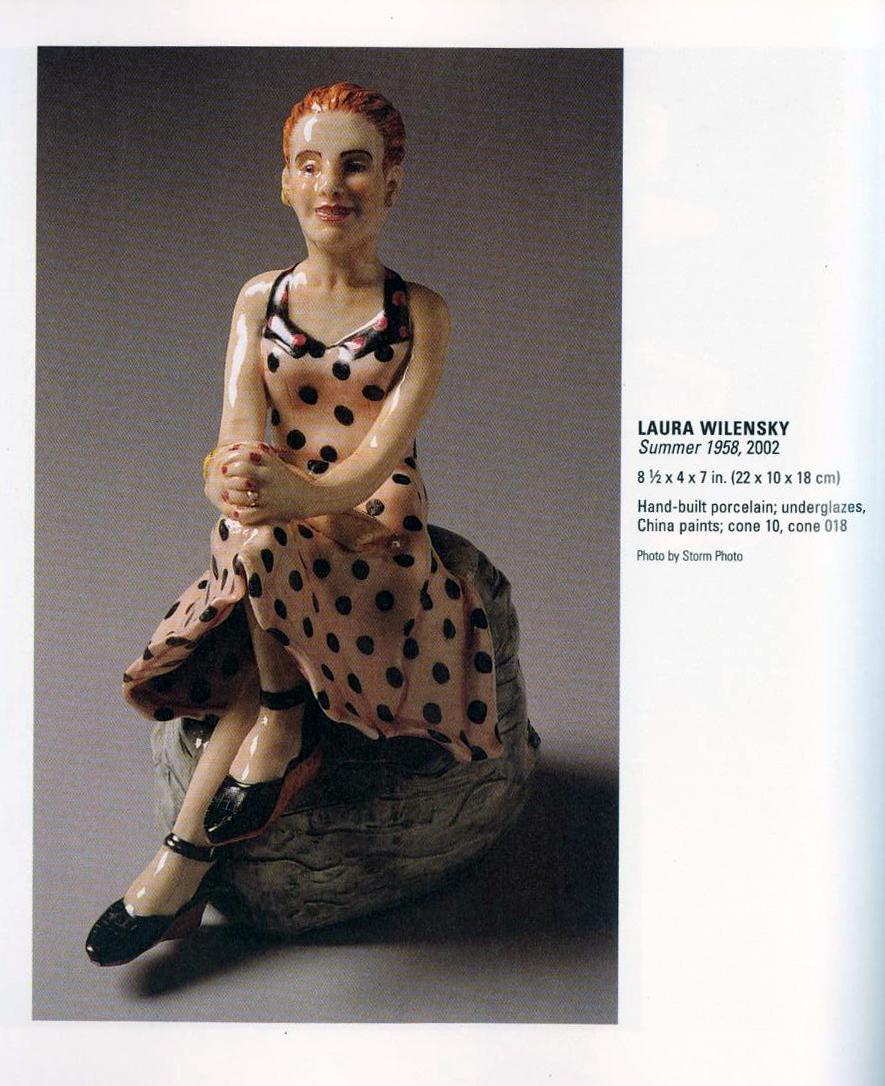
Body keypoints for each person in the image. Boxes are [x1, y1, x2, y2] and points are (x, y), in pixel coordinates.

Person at [86, 82, 502, 967]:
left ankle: (199, 835)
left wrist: (293, 498)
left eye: (355, 164)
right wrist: (229, 479)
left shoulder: (419, 313)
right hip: (274, 511)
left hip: (371, 518)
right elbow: (236, 432)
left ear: (391, 183)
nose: (331, 185)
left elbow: (375, 461)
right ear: (285, 183)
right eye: (309, 165)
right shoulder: (258, 299)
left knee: (265, 560)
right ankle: (258, 751)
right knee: (258, 544)